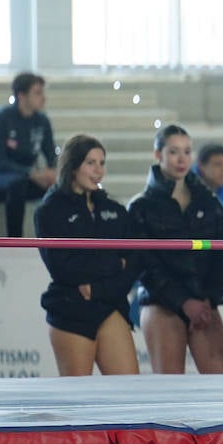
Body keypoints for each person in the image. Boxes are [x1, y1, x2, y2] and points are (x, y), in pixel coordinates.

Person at [128, 125, 223, 374]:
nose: (181, 159)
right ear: (158, 155)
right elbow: (144, 265)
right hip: (161, 303)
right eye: (174, 151)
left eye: (187, 152)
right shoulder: (141, 207)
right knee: (170, 390)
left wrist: (207, 298)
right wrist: (183, 301)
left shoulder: (209, 202)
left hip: (204, 303)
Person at [34, 134, 140, 376]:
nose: (98, 170)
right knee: (78, 401)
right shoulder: (49, 211)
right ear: (73, 166)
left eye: (102, 163)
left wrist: (100, 287)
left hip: (109, 306)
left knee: (129, 395)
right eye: (90, 163)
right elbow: (62, 268)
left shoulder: (115, 210)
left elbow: (133, 262)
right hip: (70, 311)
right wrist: (115, 262)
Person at [0, 71, 56, 237]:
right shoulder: (1, 119)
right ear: (21, 95)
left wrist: (52, 172)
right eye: (37, 93)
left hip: (26, 179)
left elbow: (51, 154)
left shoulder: (42, 121)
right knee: (17, 185)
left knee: (60, 188)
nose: (43, 98)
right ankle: (15, 242)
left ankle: (57, 241)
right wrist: (31, 173)